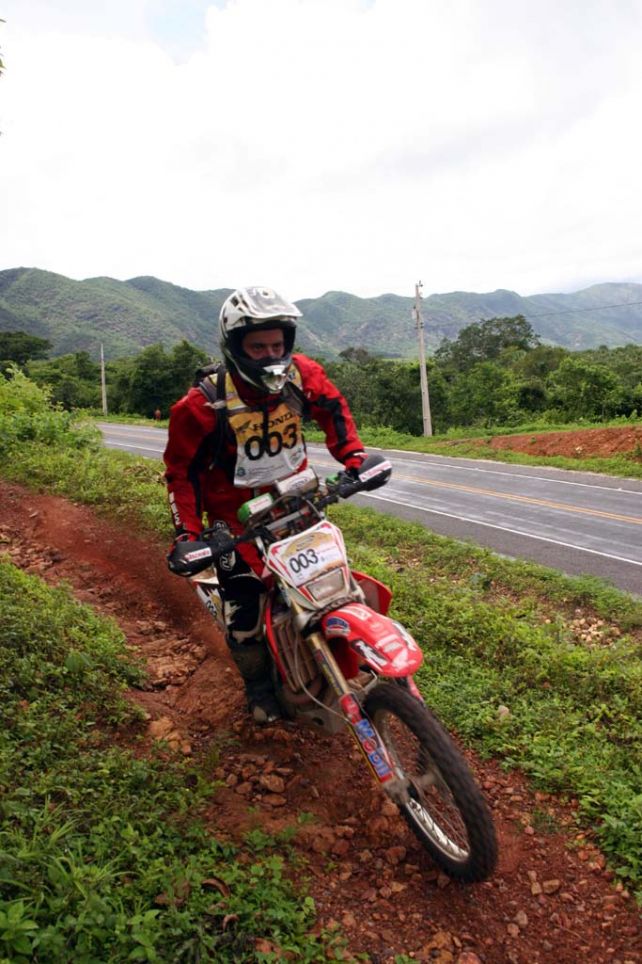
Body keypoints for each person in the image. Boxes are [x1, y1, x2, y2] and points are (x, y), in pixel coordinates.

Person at [164, 286, 366, 723]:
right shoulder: (200, 406)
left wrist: (355, 457)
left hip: (299, 509)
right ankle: (259, 690)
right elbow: (181, 474)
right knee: (245, 618)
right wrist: (188, 535)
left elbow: (334, 411)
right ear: (235, 347)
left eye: (277, 344)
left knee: (336, 586)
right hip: (234, 527)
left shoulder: (302, 375)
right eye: (258, 347)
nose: (270, 355)